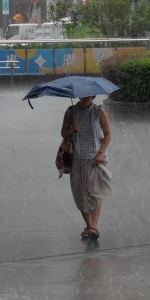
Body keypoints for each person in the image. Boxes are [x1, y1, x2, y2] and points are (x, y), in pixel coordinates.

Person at [60, 95, 112, 240]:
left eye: (87, 96)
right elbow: (63, 132)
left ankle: (94, 227)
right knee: (81, 195)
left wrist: (100, 153)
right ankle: (88, 225)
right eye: (82, 96)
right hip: (77, 158)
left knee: (95, 193)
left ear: (93, 96)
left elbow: (108, 134)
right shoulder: (71, 111)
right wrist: (72, 130)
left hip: (96, 159)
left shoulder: (99, 111)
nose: (84, 98)